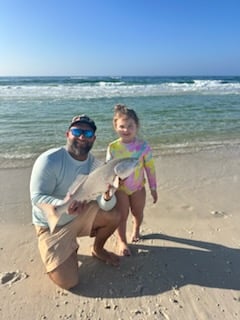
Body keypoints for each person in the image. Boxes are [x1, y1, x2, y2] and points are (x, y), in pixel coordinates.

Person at [30, 115, 120, 290]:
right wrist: (63, 205)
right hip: (51, 225)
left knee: (114, 214)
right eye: (77, 131)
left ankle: (98, 249)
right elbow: (37, 197)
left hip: (79, 216)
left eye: (87, 132)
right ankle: (59, 248)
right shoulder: (49, 160)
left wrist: (108, 197)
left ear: (93, 138)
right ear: (67, 134)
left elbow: (105, 205)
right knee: (69, 282)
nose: (82, 136)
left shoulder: (96, 165)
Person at [106, 104, 158, 256]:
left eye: (130, 126)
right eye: (122, 126)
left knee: (137, 212)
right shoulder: (113, 147)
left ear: (137, 126)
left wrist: (153, 188)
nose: (126, 130)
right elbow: (109, 169)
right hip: (120, 189)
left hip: (138, 188)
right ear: (115, 127)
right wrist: (110, 187)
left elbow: (150, 168)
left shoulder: (143, 147)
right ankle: (122, 240)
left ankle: (136, 230)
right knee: (122, 215)